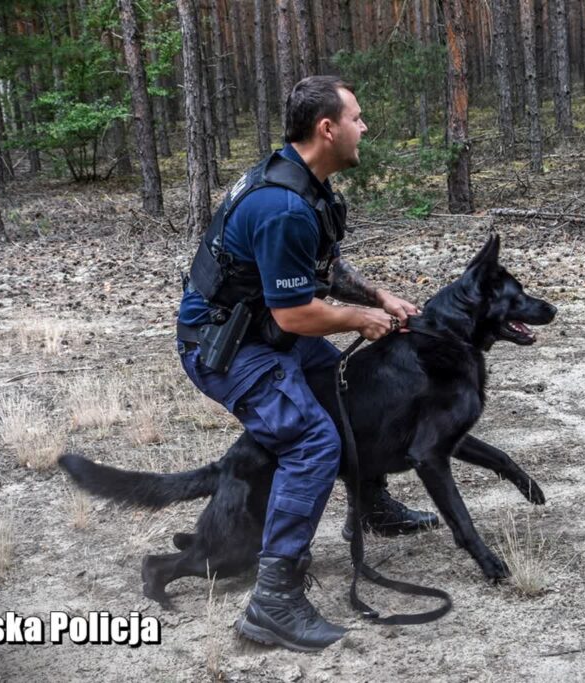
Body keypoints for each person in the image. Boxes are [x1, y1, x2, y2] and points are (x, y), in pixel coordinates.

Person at [177, 76, 438, 652]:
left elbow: (320, 267)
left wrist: (377, 298)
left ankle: (369, 504)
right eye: (357, 117)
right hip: (226, 348)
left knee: (346, 389)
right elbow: (296, 315)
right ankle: (273, 600)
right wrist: (357, 320)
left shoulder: (305, 183)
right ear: (328, 128)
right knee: (311, 442)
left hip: (262, 329)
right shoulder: (283, 206)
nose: (364, 127)